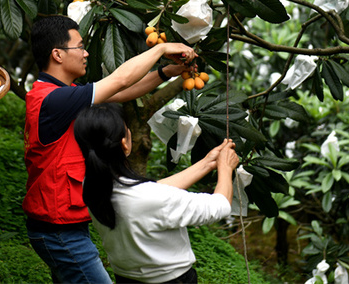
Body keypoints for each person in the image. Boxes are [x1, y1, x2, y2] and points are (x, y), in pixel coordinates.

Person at [23, 15, 197, 283]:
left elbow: (122, 92)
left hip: (59, 225)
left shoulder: (61, 93)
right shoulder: (55, 100)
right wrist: (161, 49)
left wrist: (165, 73)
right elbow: (118, 81)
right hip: (57, 230)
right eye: (79, 47)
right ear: (57, 54)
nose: (86, 52)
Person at [73, 103, 239, 284]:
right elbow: (220, 206)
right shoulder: (147, 198)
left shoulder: (92, 186)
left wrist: (206, 163)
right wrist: (225, 168)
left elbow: (152, 192)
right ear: (124, 144)